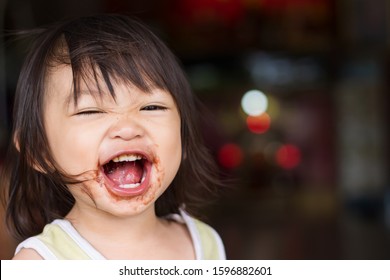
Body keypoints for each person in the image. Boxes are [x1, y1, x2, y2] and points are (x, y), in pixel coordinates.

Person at [0, 14, 225, 260]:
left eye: (152, 107)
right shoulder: (40, 263)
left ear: (183, 136)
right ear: (39, 151)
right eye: (90, 110)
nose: (128, 128)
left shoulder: (204, 243)